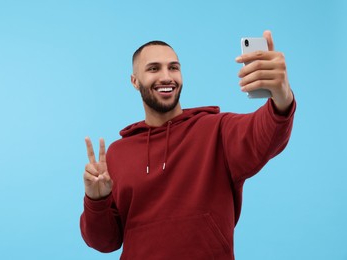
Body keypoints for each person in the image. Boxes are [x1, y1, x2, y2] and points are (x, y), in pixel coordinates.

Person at [80, 30, 295, 259]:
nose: (166, 77)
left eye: (173, 67)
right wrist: (96, 200)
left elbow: (265, 133)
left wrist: (282, 96)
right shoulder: (117, 153)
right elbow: (105, 242)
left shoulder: (217, 130)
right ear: (135, 81)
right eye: (154, 69)